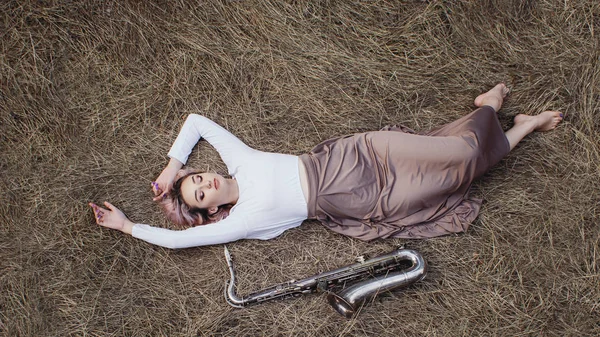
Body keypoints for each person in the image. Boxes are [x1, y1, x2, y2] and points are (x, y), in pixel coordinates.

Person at [89, 84, 563, 249]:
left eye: (198, 178)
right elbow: (176, 239)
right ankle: (520, 126)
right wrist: (129, 226)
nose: (204, 181)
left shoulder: (242, 161)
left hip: (359, 155)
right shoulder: (243, 221)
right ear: (211, 212)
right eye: (199, 193)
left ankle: (488, 108)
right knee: (456, 177)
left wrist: (171, 171)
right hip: (363, 200)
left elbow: (195, 121)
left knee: (453, 154)